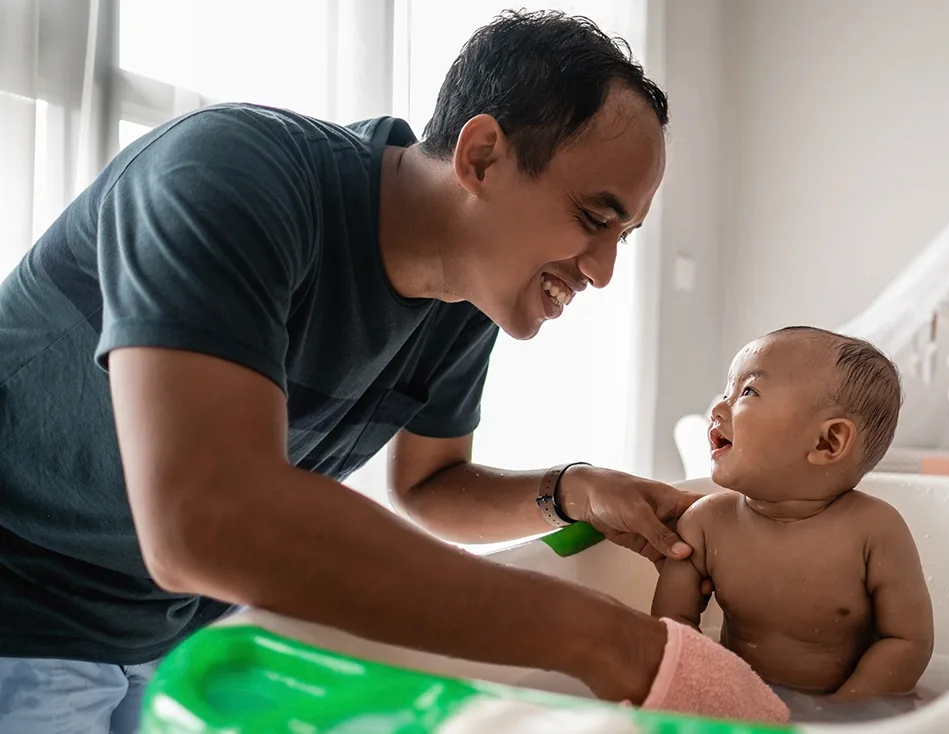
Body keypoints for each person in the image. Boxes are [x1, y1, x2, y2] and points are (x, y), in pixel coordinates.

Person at [0, 10, 759, 732]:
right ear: (482, 156)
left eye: (623, 236)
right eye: (595, 219)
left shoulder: (462, 294)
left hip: (171, 632)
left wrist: (571, 491)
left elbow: (428, 487)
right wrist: (614, 645)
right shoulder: (230, 176)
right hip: (24, 609)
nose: (602, 271)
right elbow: (206, 521)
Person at [651, 327, 936, 709]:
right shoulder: (704, 525)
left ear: (827, 442)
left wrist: (844, 712)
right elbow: (671, 630)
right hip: (737, 707)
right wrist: (711, 696)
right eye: (726, 393)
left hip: (845, 706)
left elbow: (907, 642)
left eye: (748, 392)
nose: (718, 409)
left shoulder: (875, 531)